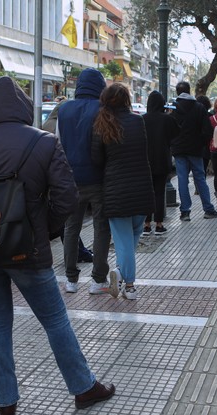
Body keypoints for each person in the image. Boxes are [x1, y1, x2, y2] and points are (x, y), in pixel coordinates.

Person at [0, 76, 115, 415]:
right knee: (54, 320)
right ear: (21, 104)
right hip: (29, 253)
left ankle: (5, 401)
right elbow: (67, 198)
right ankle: (82, 388)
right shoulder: (44, 143)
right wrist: (40, 227)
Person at [91, 83, 154, 300]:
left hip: (115, 190)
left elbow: (96, 159)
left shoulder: (101, 124)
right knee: (132, 238)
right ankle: (121, 274)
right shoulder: (138, 121)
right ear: (127, 99)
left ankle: (129, 285)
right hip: (141, 188)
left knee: (124, 241)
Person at [57, 68, 112, 294]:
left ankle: (71, 280)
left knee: (71, 228)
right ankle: (98, 280)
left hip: (72, 180)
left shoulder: (64, 109)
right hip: (99, 179)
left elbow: (58, 145)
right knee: (101, 228)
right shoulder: (103, 110)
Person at [42, 101, 94, 262]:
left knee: (66, 220)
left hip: (50, 177)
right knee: (67, 221)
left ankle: (77, 252)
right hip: (60, 176)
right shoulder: (57, 125)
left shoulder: (46, 125)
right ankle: (77, 254)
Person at [169, 81, 217, 221]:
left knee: (182, 179)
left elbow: (169, 130)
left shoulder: (173, 108)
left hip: (179, 150)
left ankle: (185, 212)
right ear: (189, 90)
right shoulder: (199, 108)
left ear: (177, 92)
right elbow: (208, 130)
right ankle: (208, 209)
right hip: (195, 150)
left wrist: (174, 144)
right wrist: (201, 144)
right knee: (200, 179)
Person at [142, 90, 180, 236]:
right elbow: (176, 133)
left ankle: (146, 224)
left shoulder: (142, 119)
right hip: (162, 159)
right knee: (159, 192)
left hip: (146, 161)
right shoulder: (167, 119)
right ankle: (158, 224)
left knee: (147, 192)